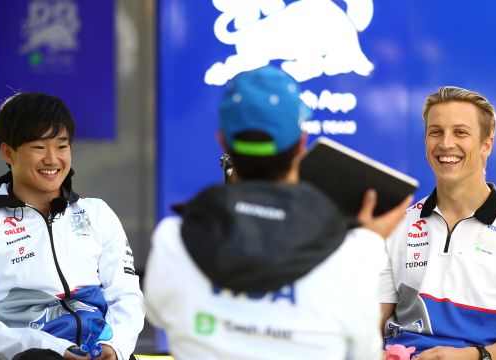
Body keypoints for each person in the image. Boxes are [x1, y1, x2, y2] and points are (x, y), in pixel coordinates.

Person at [143, 65, 412, 359]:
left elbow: (158, 314)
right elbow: (363, 353)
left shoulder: (173, 239)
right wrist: (367, 242)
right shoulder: (352, 254)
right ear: (301, 142)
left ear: (223, 141)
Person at [0, 92, 145, 360]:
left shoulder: (98, 213)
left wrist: (115, 346)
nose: (52, 159)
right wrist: (54, 349)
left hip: (99, 349)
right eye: (39, 147)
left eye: (62, 146)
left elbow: (126, 295)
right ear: (8, 153)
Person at [379, 86, 496, 359]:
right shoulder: (395, 224)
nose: (446, 143)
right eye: (435, 132)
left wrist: (472, 356)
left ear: (487, 145)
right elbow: (374, 322)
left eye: (461, 132)